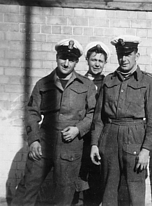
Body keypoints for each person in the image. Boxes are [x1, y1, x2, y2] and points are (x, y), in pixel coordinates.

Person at [11, 39, 97, 206]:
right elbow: (31, 112)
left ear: (76, 62)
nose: (66, 63)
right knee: (27, 188)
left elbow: (93, 114)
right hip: (44, 142)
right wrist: (34, 140)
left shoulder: (86, 85)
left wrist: (78, 129)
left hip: (71, 145)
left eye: (71, 60)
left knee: (64, 193)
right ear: (57, 57)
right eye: (63, 58)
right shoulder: (43, 83)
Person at [90, 35, 152, 206]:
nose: (124, 59)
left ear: (137, 55)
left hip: (135, 137)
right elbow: (99, 117)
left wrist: (146, 149)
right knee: (109, 189)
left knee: (135, 191)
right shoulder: (109, 80)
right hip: (109, 136)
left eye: (128, 54)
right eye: (120, 54)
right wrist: (94, 143)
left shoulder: (148, 81)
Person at [72, 41, 111, 206]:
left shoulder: (108, 83)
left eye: (100, 61)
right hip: (80, 137)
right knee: (76, 177)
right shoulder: (78, 81)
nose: (97, 64)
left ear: (105, 63)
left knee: (96, 179)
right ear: (87, 60)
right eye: (94, 60)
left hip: (99, 138)